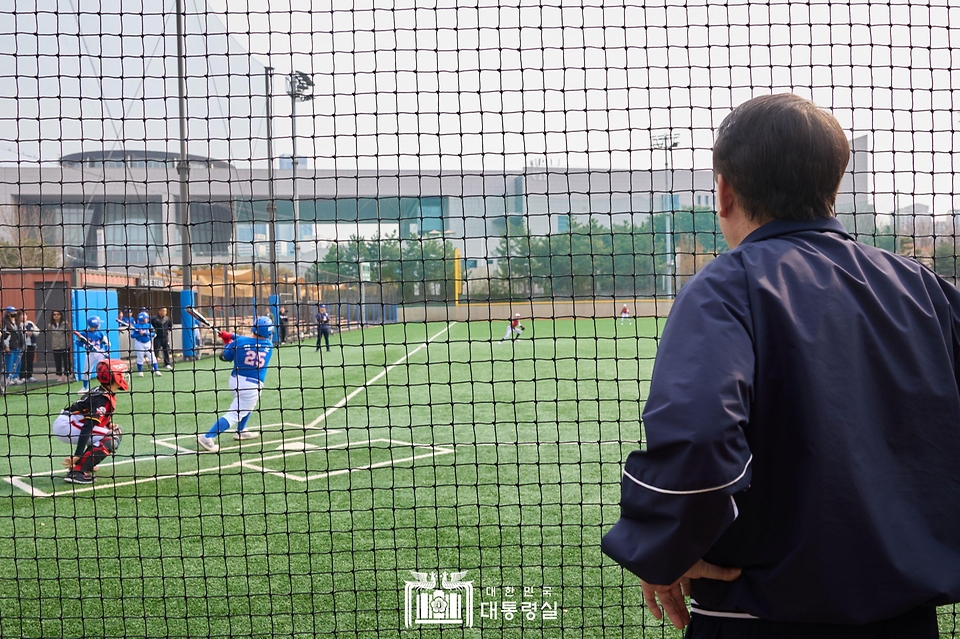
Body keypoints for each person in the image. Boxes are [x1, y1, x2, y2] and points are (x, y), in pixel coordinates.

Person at [601, 94, 960, 636]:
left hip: (758, 614)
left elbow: (700, 442)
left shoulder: (727, 287)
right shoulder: (926, 290)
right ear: (831, 187)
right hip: (908, 621)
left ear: (724, 190)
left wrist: (667, 547)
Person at [196, 316, 275, 453]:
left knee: (248, 405)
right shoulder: (269, 346)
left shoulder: (239, 342)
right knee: (234, 414)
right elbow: (248, 341)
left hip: (235, 381)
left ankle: (241, 431)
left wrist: (228, 341)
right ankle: (207, 437)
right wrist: (231, 336)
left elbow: (225, 356)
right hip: (251, 386)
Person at [53, 358, 128, 485]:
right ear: (115, 377)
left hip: (70, 421)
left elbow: (88, 415)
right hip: (67, 425)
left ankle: (85, 463)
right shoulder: (102, 398)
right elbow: (87, 427)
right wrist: (77, 455)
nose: (125, 377)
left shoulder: (102, 391)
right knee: (111, 437)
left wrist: (108, 424)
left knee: (112, 430)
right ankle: (78, 470)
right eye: (122, 374)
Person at [78, 316, 109, 395]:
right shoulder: (84, 333)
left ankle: (105, 387)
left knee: (102, 369)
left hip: (100, 352)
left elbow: (107, 343)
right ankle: (85, 388)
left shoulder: (100, 333)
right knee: (86, 370)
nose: (99, 325)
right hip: (90, 353)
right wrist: (85, 346)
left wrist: (106, 352)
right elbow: (78, 342)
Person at [130, 312, 161, 377]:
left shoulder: (149, 325)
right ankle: (140, 372)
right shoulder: (136, 326)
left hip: (148, 343)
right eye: (145, 318)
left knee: (152, 357)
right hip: (139, 343)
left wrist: (147, 334)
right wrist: (139, 334)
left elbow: (154, 334)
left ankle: (156, 370)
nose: (147, 319)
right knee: (140, 357)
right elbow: (132, 335)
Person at [2, 306, 24, 385]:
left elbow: (20, 334)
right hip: (10, 346)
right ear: (8, 313)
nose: (14, 313)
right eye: (12, 312)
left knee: (18, 363)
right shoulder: (5, 324)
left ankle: (15, 377)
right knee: (10, 363)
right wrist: (6, 346)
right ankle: (9, 378)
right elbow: (4, 336)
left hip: (18, 345)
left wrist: (22, 344)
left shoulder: (17, 323)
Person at [48, 310, 72, 383]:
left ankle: (67, 376)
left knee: (66, 362)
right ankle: (59, 376)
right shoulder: (50, 325)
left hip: (65, 345)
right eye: (54, 314)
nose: (56, 316)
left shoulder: (65, 324)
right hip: (55, 346)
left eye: (58, 314)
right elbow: (51, 334)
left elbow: (69, 332)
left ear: (61, 315)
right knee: (57, 362)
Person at [19, 311, 39, 382]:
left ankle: (29, 375)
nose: (23, 317)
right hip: (23, 346)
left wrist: (32, 332)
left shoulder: (30, 323)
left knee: (30, 360)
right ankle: (22, 376)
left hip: (31, 345)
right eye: (22, 315)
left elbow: (37, 331)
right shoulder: (19, 325)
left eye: (24, 315)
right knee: (23, 361)